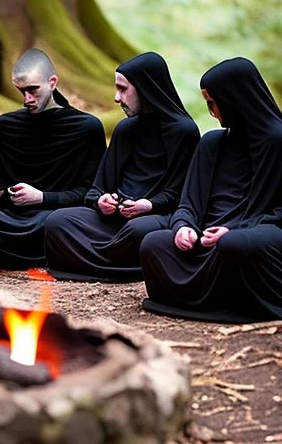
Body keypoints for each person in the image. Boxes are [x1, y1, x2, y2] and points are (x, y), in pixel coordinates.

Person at [140, 58, 282, 322]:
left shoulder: (277, 142)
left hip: (253, 238)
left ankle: (241, 303)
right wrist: (184, 226)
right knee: (152, 242)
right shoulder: (212, 143)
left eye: (212, 103)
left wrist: (236, 229)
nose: (210, 112)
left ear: (235, 100)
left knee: (235, 244)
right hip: (206, 241)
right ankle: (212, 301)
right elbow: (188, 204)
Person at [44, 52, 199, 282]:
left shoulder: (184, 132)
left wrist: (148, 205)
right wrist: (101, 201)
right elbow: (97, 188)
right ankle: (116, 263)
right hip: (114, 220)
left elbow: (183, 196)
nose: (117, 98)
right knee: (57, 221)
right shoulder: (125, 129)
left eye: (123, 89)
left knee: (138, 232)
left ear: (146, 88)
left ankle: (95, 263)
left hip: (155, 217)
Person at [0, 48, 106, 269]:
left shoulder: (85, 128)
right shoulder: (7, 125)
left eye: (33, 90)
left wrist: (42, 198)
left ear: (53, 82)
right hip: (12, 217)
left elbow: (90, 193)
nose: (26, 99)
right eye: (21, 91)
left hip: (53, 218)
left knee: (58, 223)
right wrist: (9, 194)